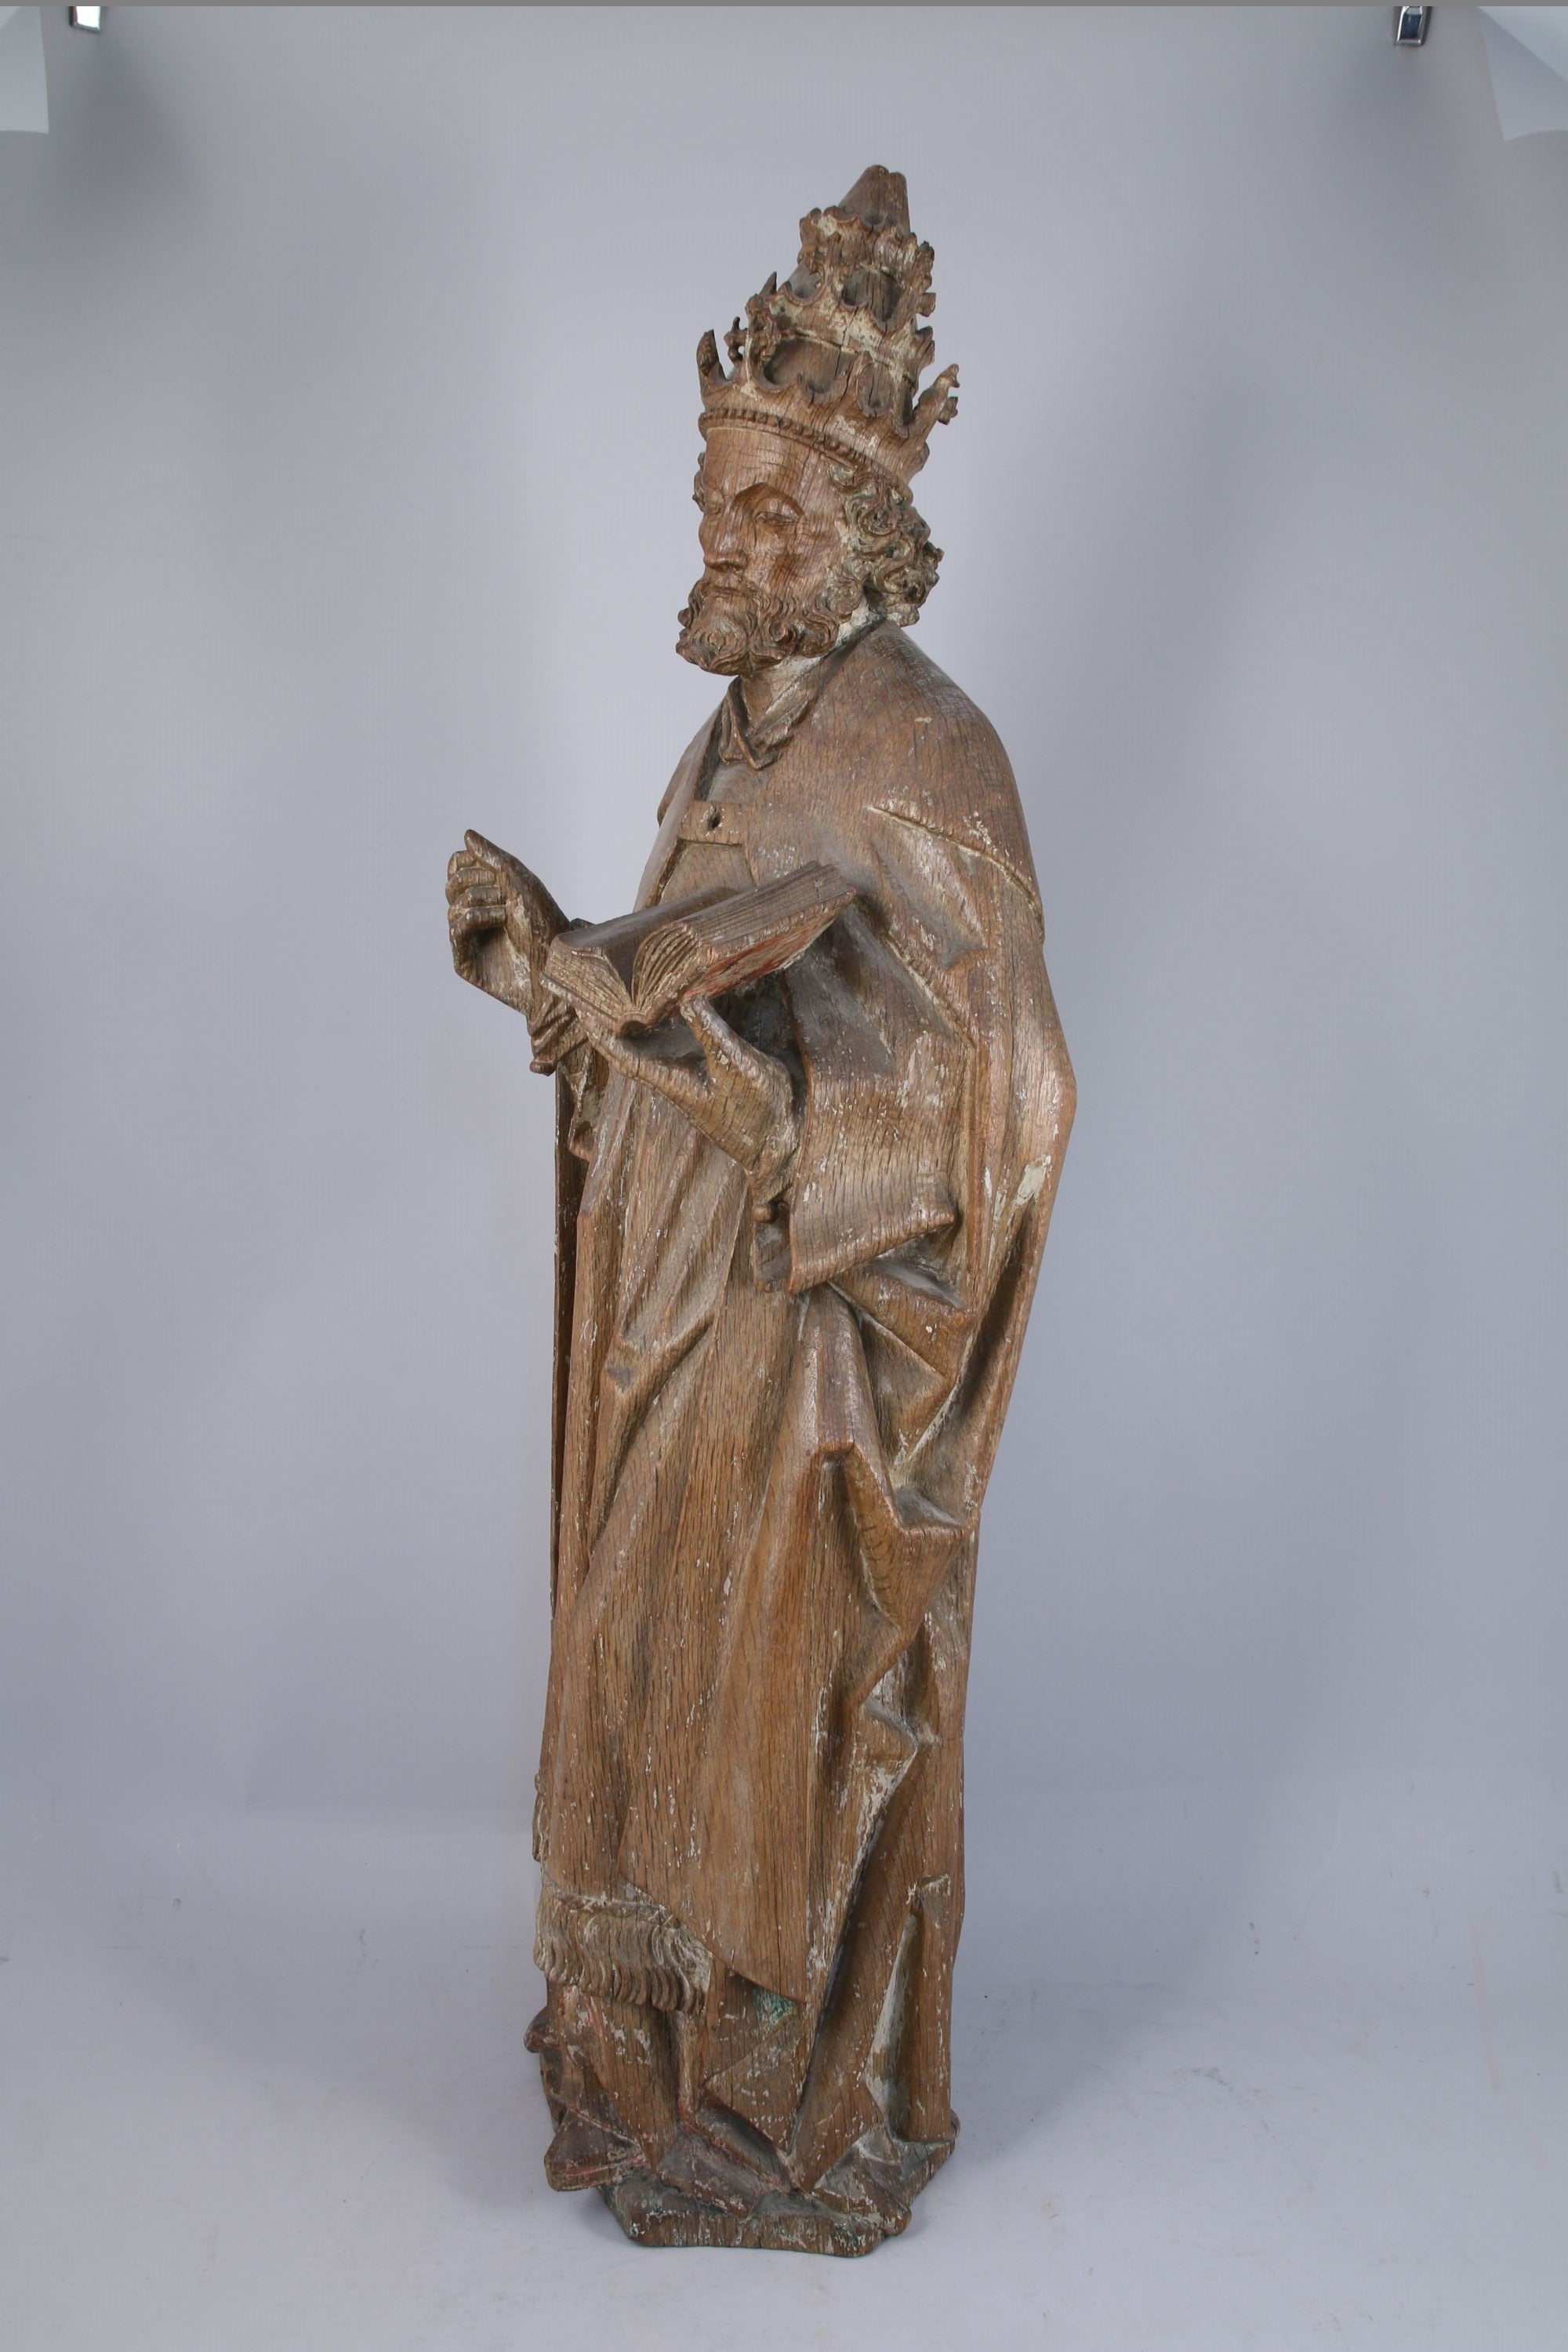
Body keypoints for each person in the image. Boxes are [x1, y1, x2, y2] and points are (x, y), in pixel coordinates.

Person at [446, 166, 1074, 2255]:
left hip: (810, 1345)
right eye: (714, 503)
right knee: (644, 1672)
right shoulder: (731, 729)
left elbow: (1014, 1097)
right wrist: (566, 968)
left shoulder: (925, 750)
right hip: (669, 1308)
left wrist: (788, 1121)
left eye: (768, 515)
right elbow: (688, 971)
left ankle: (779, 2099)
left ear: (868, 541)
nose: (721, 544)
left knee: (774, 1709)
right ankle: (636, 2054)